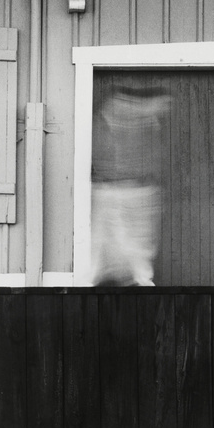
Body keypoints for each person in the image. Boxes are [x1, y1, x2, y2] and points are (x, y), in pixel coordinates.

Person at [90, 83, 170, 286]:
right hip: (117, 190)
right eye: (165, 103)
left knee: (125, 252)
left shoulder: (145, 119)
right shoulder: (121, 109)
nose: (167, 108)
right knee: (117, 251)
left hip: (130, 190)